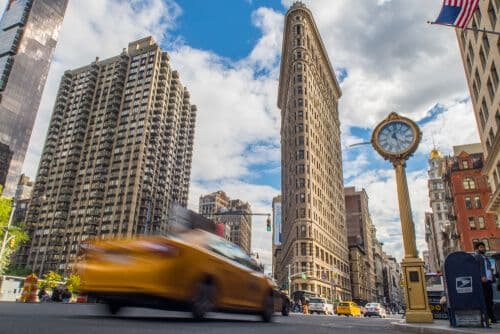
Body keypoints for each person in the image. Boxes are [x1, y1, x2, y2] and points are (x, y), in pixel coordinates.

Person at [473, 241, 497, 324]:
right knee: (485, 300)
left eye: (483, 247)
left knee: (490, 300)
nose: (483, 248)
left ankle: (492, 317)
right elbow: (476, 269)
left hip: (488, 281)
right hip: (482, 282)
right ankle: (486, 318)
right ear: (477, 249)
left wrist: (492, 277)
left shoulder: (486, 258)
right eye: (481, 247)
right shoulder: (477, 257)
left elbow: (489, 269)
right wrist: (481, 276)